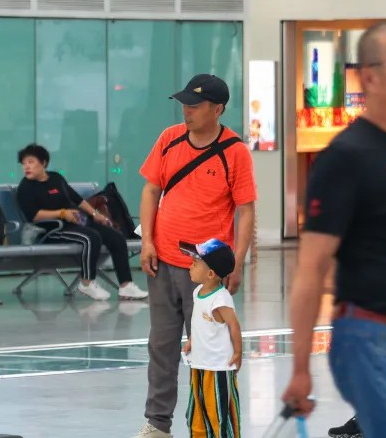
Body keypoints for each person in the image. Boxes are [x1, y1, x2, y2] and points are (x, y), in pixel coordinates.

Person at [282, 21, 386, 437]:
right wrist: (300, 368)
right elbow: (311, 269)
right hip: (374, 340)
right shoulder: (346, 157)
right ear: (370, 77)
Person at [133, 74, 256, 438]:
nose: (186, 111)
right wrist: (147, 242)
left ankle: (209, 424)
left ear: (217, 109)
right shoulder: (169, 139)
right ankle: (157, 424)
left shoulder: (235, 151)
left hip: (207, 272)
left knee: (209, 349)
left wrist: (237, 261)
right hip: (163, 261)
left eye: (195, 105)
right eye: (184, 104)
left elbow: (246, 210)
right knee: (161, 345)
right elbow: (150, 191)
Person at [15, 144, 148, 301]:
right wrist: (61, 213)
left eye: (30, 162)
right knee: (91, 237)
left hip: (76, 223)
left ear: (43, 163)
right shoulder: (25, 188)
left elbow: (76, 199)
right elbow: (33, 216)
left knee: (117, 238)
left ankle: (126, 286)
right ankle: (87, 282)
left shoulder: (56, 178)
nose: (26, 167)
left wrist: (96, 214)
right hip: (51, 230)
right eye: (24, 163)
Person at [180, 238, 243, 438]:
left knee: (219, 414)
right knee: (197, 414)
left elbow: (234, 325)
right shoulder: (198, 292)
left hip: (218, 368)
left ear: (210, 274)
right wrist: (192, 341)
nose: (190, 266)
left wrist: (238, 352)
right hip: (199, 364)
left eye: (195, 263)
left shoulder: (221, 299)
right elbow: (199, 322)